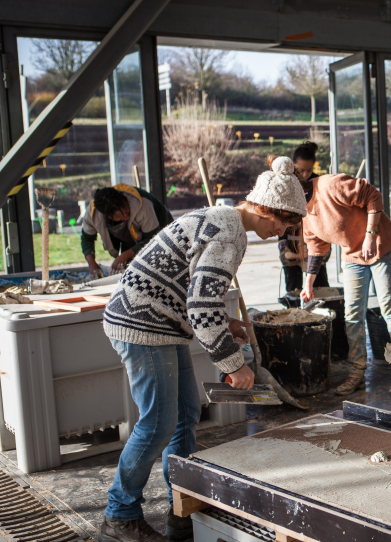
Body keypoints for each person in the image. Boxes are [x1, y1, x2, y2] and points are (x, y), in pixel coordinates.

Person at [99, 157, 307, 542]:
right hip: (142, 324)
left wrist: (225, 325)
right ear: (264, 209)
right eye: (283, 223)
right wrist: (233, 364)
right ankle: (120, 514)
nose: (282, 232)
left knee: (183, 415)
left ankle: (184, 501)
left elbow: (192, 289)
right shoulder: (229, 233)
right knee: (158, 422)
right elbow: (202, 305)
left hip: (159, 320)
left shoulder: (224, 220)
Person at [299, 161, 391, 396]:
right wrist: (308, 282)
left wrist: (370, 235)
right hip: (352, 256)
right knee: (353, 314)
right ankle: (357, 372)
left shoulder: (330, 185)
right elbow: (316, 247)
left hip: (380, 245)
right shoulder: (304, 213)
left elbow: (373, 196)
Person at [81, 184, 173, 276]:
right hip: (132, 240)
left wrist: (124, 256)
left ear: (125, 199)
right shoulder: (93, 215)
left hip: (163, 235)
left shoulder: (142, 204)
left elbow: (153, 239)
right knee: (131, 272)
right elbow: (87, 239)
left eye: (126, 210)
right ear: (108, 216)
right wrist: (92, 264)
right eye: (119, 216)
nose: (126, 216)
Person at [278, 142, 329, 301]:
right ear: (293, 165)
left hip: (314, 237)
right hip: (290, 239)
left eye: (309, 170)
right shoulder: (286, 183)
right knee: (293, 289)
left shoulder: (318, 182)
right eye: (300, 170)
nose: (305, 174)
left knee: (319, 287)